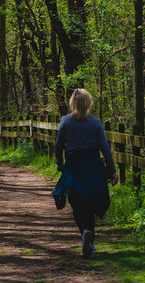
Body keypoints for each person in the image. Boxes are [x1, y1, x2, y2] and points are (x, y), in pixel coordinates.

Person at [52, 88, 118, 258]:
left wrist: (59, 163)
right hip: (93, 167)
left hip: (74, 167)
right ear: (89, 103)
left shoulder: (65, 122)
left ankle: (85, 232)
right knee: (90, 203)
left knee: (76, 203)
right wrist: (112, 171)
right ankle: (90, 238)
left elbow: (59, 146)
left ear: (72, 103)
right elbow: (105, 149)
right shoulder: (96, 123)